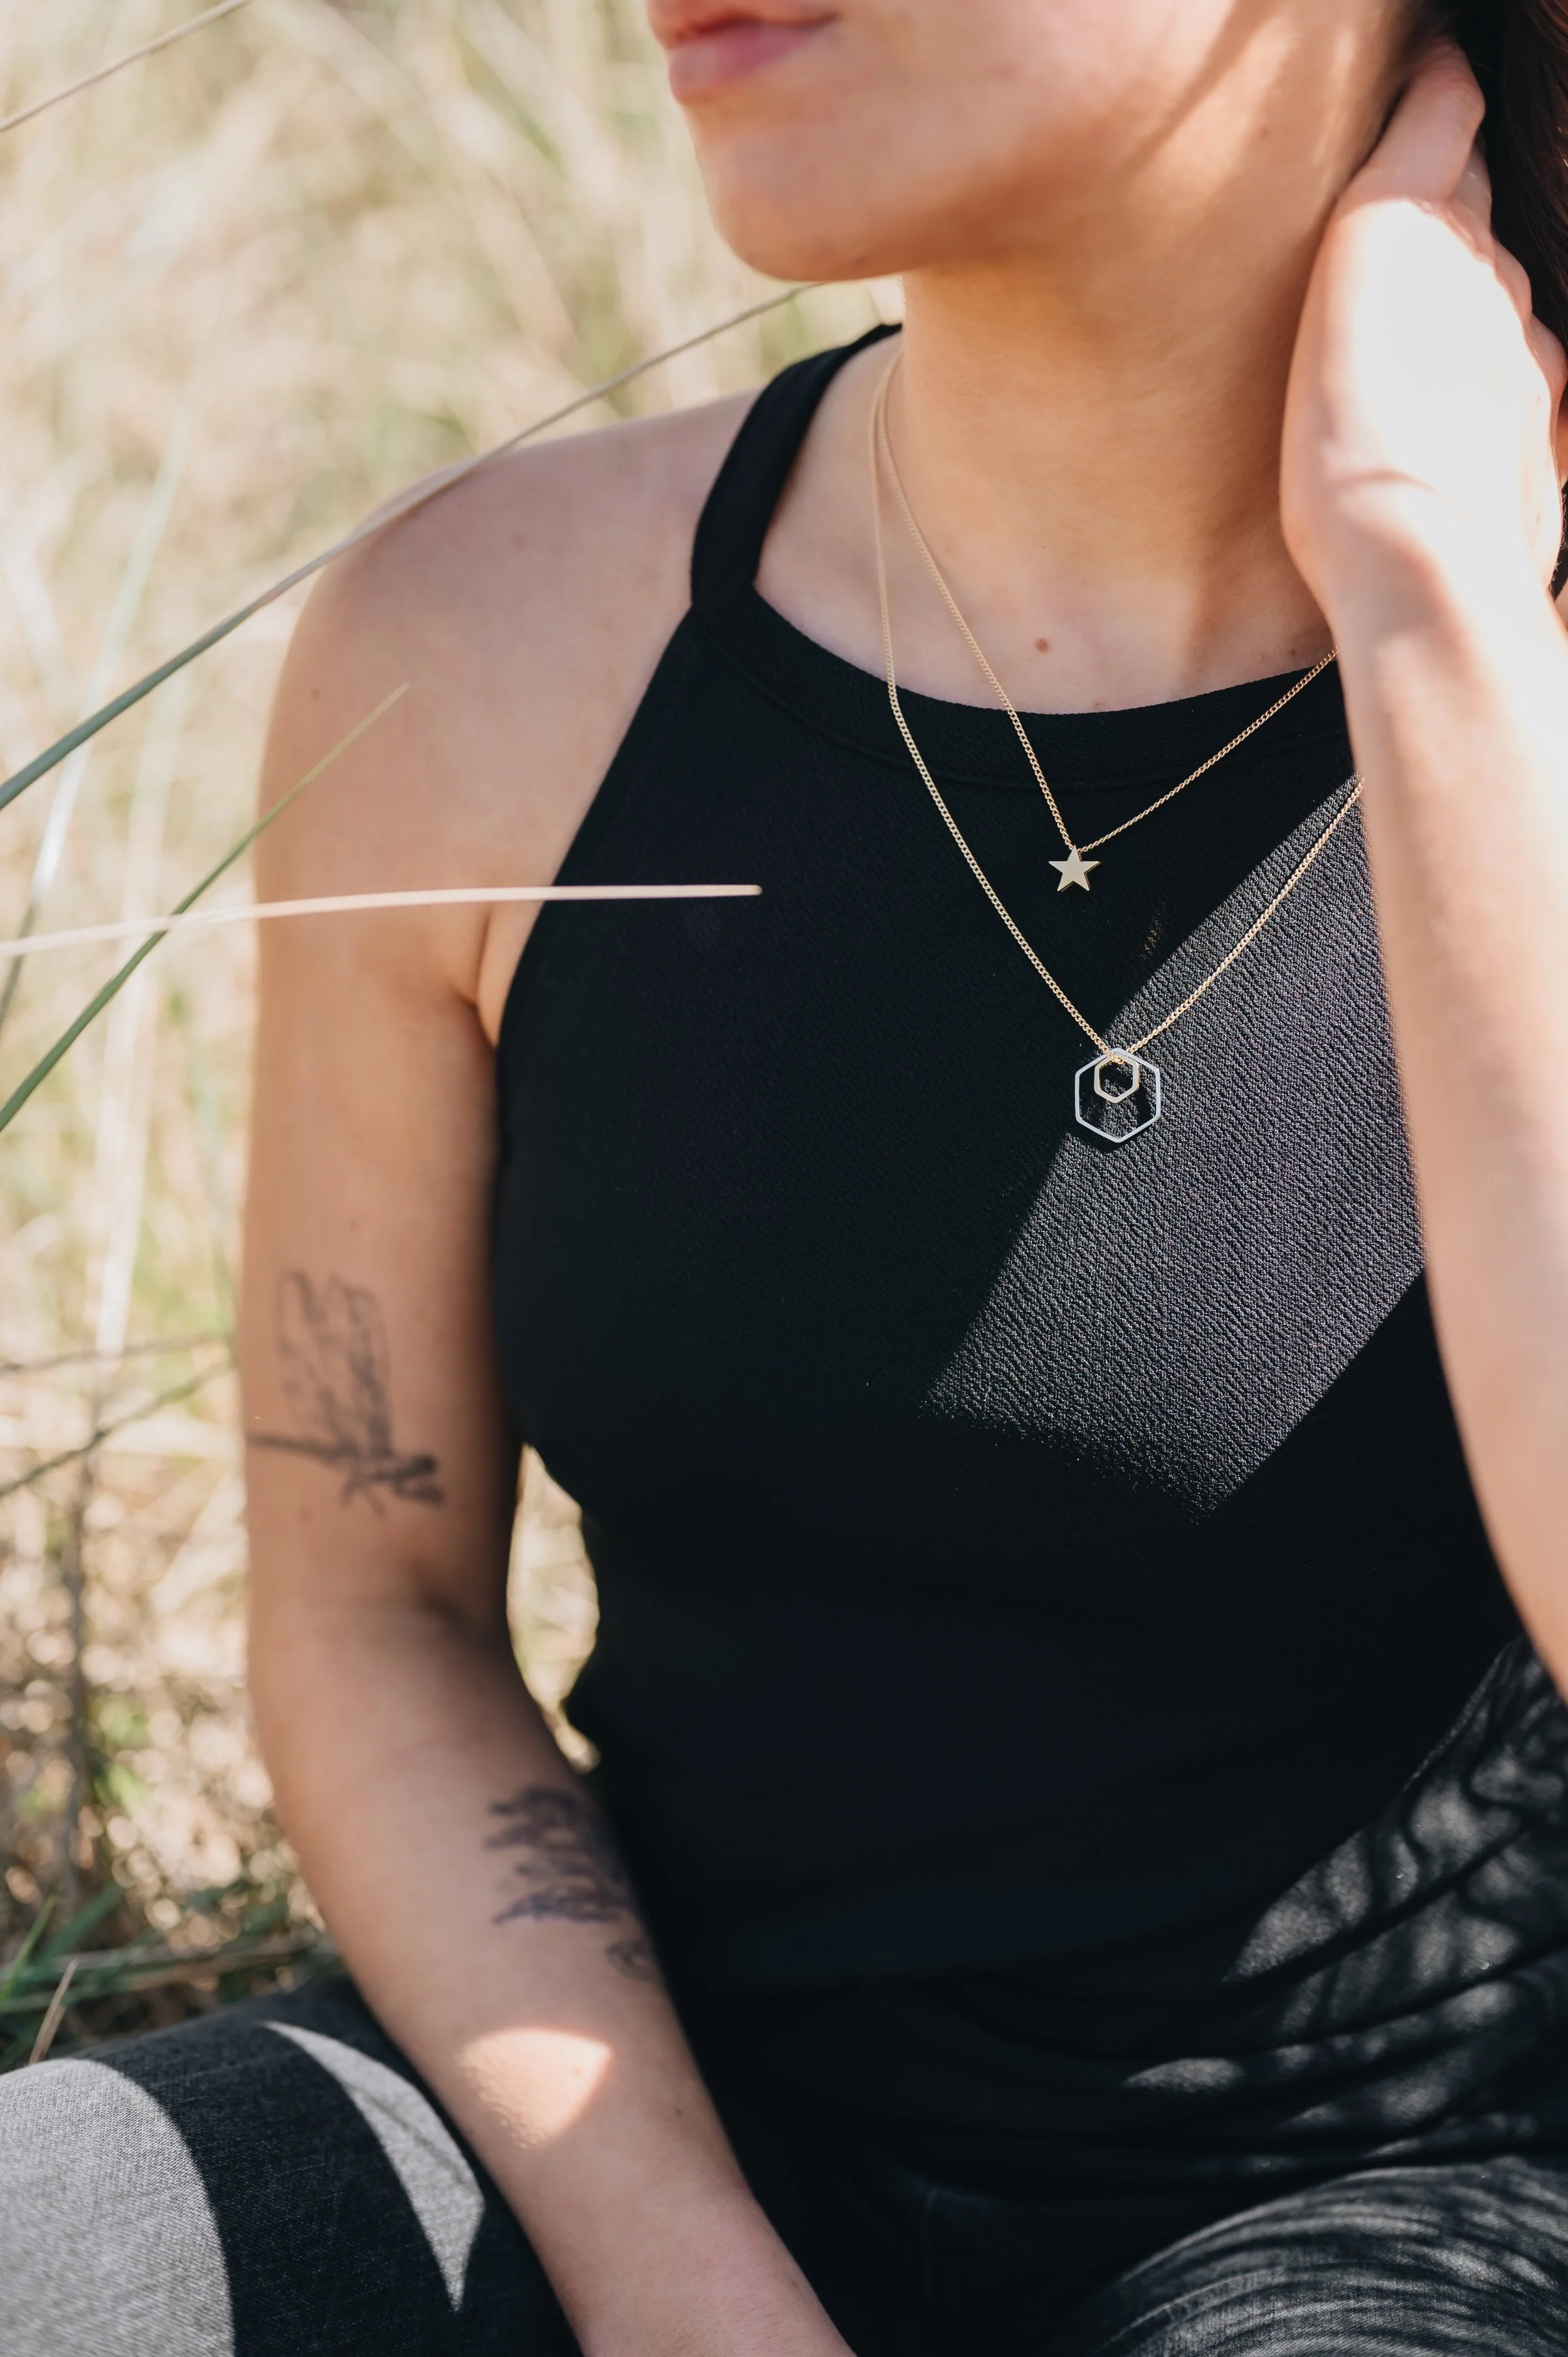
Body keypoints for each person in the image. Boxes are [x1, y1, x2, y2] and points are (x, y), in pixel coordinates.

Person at [8, 2, 1568, 2351]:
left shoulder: (1510, 665)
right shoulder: (477, 648)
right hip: (631, 2130)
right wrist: (683, 2284)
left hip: (1403, 2215)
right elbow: (370, 1609)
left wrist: (1437, 615)